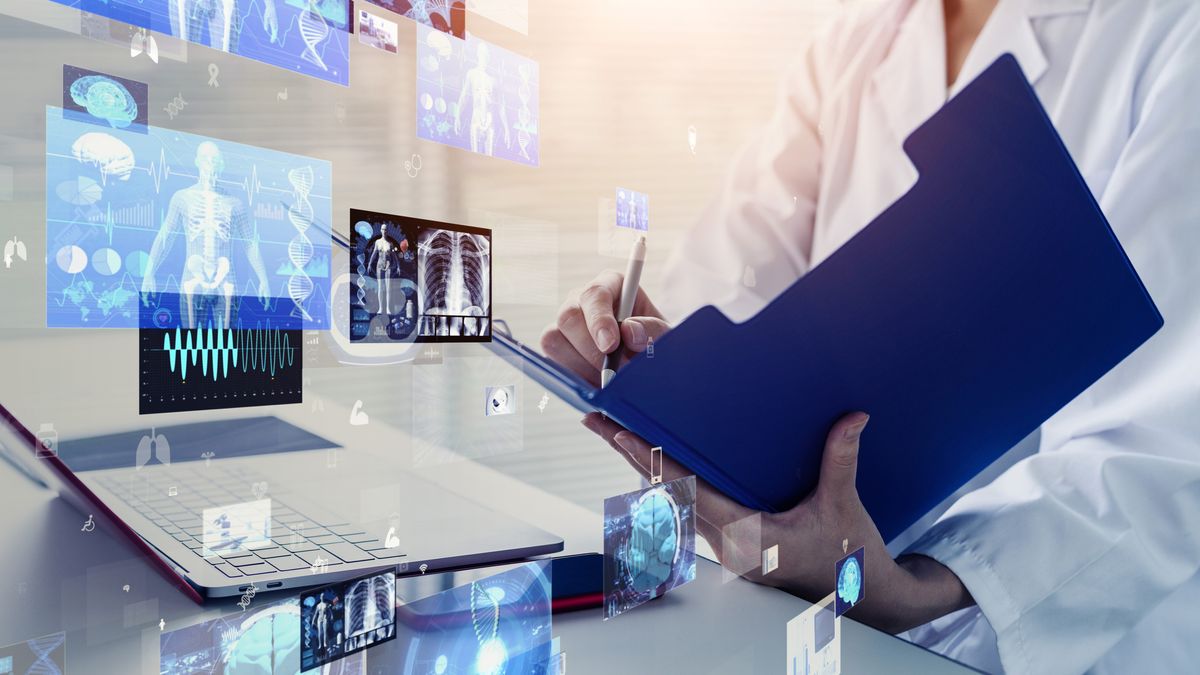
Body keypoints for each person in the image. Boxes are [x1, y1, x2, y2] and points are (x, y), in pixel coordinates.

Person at [541, 1, 1200, 673]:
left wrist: (917, 586)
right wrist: (653, 354)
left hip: (1072, 640)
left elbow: (1160, 445)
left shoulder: (1174, 35)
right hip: (824, 630)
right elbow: (733, 295)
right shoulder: (847, 52)